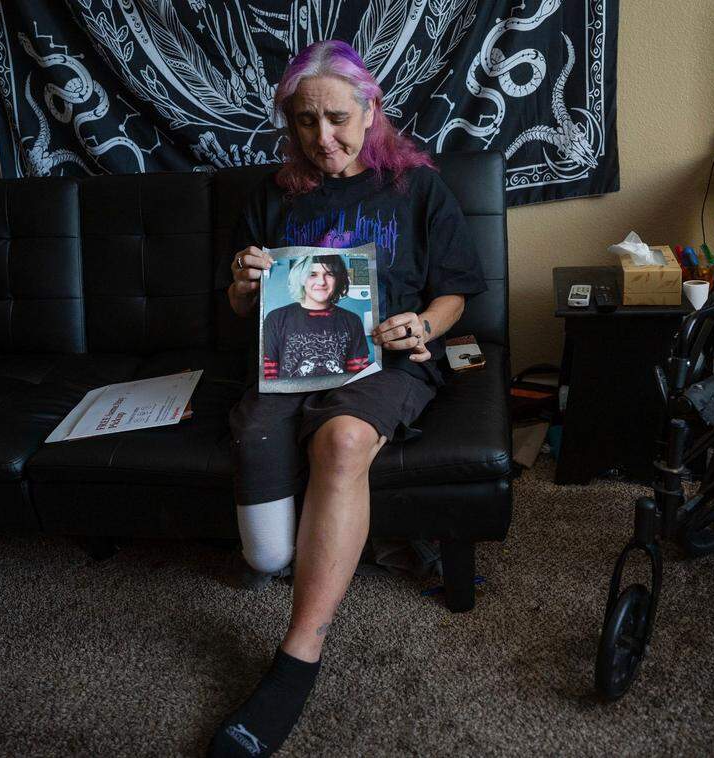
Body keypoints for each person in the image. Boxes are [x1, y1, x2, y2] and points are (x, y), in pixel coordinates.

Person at [211, 39, 486, 757]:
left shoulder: (418, 188)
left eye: (336, 118)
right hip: (289, 364)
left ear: (371, 112)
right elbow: (242, 307)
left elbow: (456, 293)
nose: (321, 138)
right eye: (304, 122)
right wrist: (243, 287)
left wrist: (423, 322)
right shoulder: (271, 196)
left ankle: (296, 660)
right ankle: (332, 550)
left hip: (384, 362)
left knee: (344, 441)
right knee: (268, 557)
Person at [263, 255, 370, 380]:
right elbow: (268, 373)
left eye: (329, 274)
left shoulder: (352, 320)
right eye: (312, 274)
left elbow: (359, 374)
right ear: (301, 278)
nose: (322, 282)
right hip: (289, 398)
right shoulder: (275, 318)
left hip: (338, 396)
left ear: (339, 279)